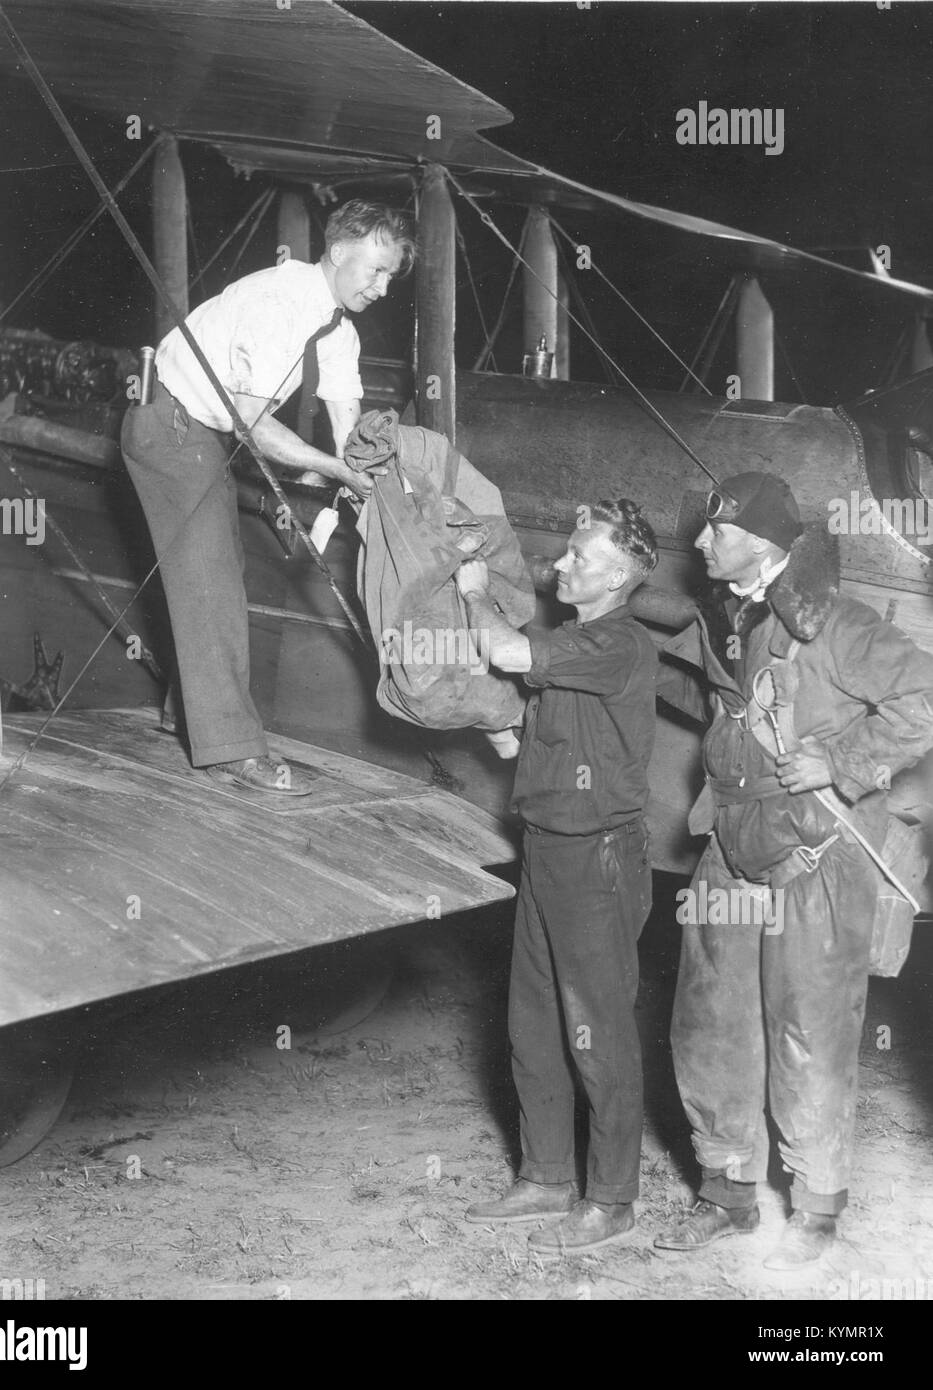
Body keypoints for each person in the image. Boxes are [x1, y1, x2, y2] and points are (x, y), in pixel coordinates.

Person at [655, 471, 933, 1269]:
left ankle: (814, 1207)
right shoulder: (726, 617)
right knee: (710, 1021)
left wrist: (845, 761)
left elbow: (923, 691)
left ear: (767, 544)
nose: (701, 543)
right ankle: (726, 1190)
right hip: (731, 849)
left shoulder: (837, 625)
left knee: (808, 1028)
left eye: (717, 531)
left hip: (816, 857)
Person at [121, 200, 415, 795]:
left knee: (215, 570)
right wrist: (331, 468)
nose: (383, 287)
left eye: (391, 276)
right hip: (171, 425)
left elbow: (345, 415)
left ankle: (190, 717)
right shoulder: (280, 304)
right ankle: (230, 749)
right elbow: (251, 425)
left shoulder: (336, 324)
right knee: (212, 582)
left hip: (197, 434)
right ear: (337, 254)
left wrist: (370, 472)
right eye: (376, 271)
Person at [458, 500, 660, 1256]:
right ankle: (544, 1175)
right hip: (544, 846)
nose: (560, 565)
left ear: (615, 576)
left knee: (596, 1030)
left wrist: (474, 591)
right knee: (531, 1020)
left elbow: (511, 655)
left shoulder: (619, 643)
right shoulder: (577, 641)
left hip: (596, 860)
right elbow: (534, 732)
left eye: (577, 556)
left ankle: (612, 1197)